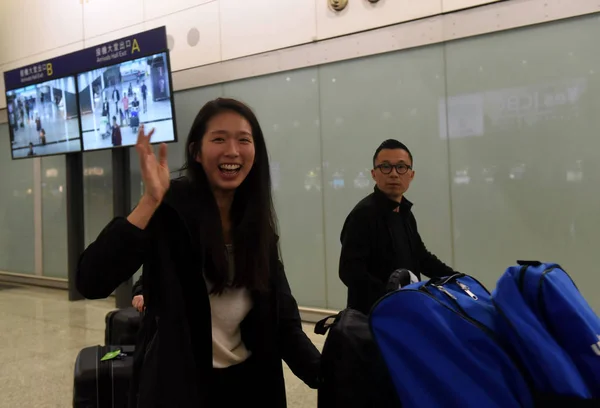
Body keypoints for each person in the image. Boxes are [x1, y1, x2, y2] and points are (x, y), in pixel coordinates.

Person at [76, 98, 321, 407]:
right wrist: (149, 201)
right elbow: (91, 280)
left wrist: (328, 374)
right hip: (180, 388)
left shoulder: (255, 222)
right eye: (219, 138)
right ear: (196, 151)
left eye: (243, 140)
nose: (232, 150)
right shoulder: (169, 208)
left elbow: (282, 322)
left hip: (251, 385)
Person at [339, 139, 457, 315]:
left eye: (401, 167)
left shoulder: (404, 212)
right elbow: (350, 271)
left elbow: (421, 257)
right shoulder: (363, 214)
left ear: (411, 174)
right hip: (374, 317)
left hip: (405, 311)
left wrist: (456, 279)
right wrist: (392, 296)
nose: (394, 174)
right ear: (374, 174)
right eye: (385, 167)